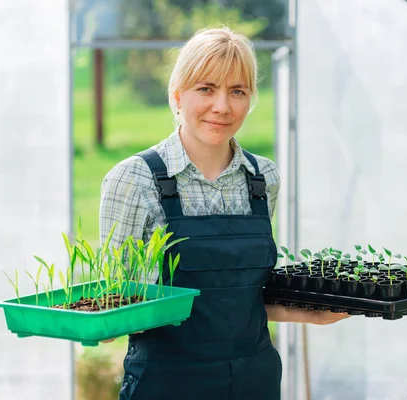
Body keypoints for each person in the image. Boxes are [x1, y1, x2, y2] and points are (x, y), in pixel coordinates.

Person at [99, 26, 349, 400]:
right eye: (206, 89)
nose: (222, 106)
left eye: (238, 91)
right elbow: (114, 304)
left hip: (255, 382)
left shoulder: (262, 178)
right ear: (177, 95)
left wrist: (310, 313)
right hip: (169, 385)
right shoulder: (135, 179)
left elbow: (241, 300)